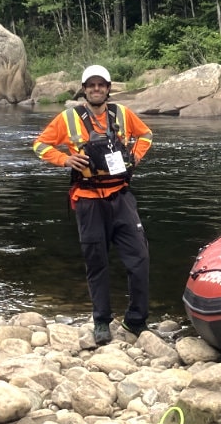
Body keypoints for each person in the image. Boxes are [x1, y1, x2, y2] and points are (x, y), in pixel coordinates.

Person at [33, 65, 154, 344]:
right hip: (88, 201)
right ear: (84, 89)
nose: (96, 89)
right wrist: (64, 159)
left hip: (121, 197)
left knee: (140, 259)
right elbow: (40, 145)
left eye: (101, 85)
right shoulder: (68, 118)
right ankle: (101, 321)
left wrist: (134, 157)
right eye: (91, 85)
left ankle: (136, 320)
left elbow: (146, 135)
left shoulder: (122, 114)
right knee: (96, 261)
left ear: (109, 88)